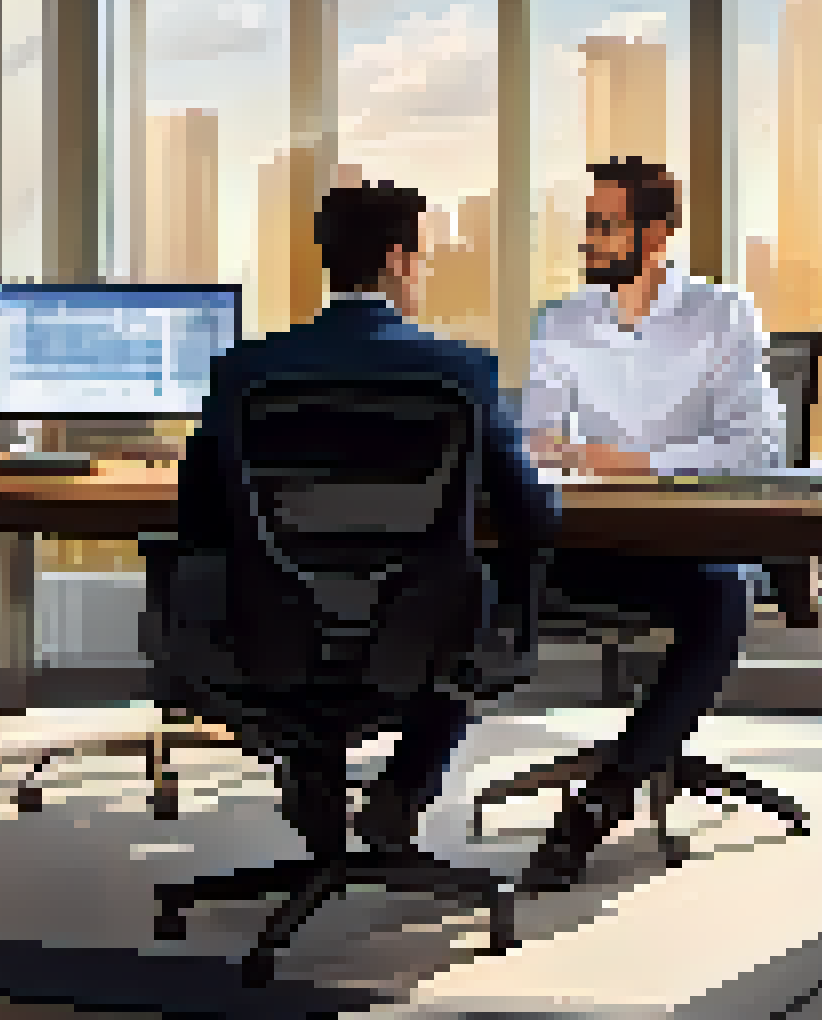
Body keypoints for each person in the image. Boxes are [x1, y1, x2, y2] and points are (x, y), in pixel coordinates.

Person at [175, 181, 563, 857]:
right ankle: (404, 789)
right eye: (424, 258)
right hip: (420, 626)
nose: (425, 272)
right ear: (397, 260)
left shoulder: (244, 371)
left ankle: (314, 773)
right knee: (464, 607)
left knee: (295, 611)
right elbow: (529, 516)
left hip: (275, 622)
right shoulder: (463, 371)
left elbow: (199, 516)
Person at [515, 155, 784, 893]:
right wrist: (558, 459)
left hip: (697, 546)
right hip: (598, 545)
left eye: (607, 226)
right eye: (589, 224)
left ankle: (604, 798)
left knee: (726, 590)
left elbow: (756, 447)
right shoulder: (562, 322)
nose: (590, 240)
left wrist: (639, 463)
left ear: (656, 234)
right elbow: (536, 440)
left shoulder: (722, 314)